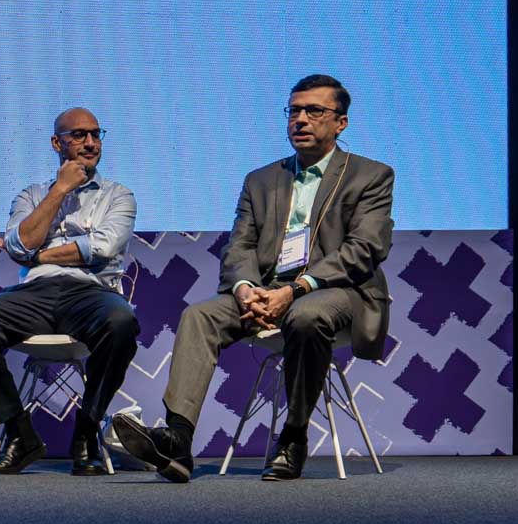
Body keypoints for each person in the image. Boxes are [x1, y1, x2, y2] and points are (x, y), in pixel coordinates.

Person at [115, 74, 394, 482]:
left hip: (337, 291)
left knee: (306, 316)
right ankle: (177, 441)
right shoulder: (261, 180)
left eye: (314, 111)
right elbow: (240, 246)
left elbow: (364, 249)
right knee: (200, 316)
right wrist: (246, 289)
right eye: (294, 111)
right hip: (266, 291)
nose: (301, 119)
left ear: (341, 123)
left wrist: (295, 290)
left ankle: (293, 437)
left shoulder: (371, 176)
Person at [0, 108, 139, 475]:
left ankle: (86, 431)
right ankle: (20, 433)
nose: (90, 143)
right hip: (36, 292)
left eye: (96, 134)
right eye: (79, 135)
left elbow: (101, 248)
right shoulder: (33, 194)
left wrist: (37, 254)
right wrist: (59, 190)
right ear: (57, 143)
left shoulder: (118, 195)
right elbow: (19, 243)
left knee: (122, 322)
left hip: (91, 292)